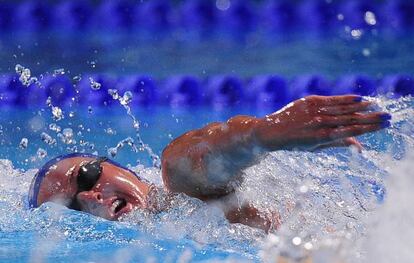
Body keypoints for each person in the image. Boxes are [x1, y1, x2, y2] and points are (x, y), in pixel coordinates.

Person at [28, 95, 391, 232]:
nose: (89, 198)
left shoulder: (179, 185)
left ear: (122, 168)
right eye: (71, 209)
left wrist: (264, 133)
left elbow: (207, 155)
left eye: (87, 176)